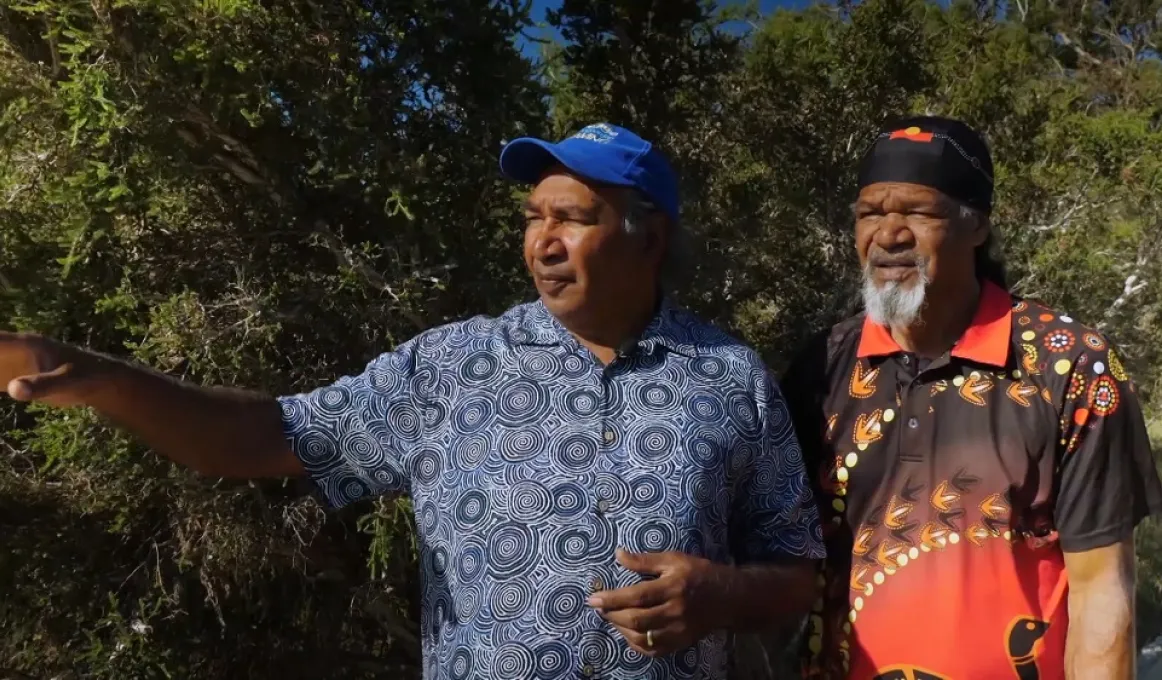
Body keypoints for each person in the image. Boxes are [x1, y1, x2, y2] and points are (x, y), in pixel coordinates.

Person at [1, 123, 824, 679]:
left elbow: (800, 569)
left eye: (572, 218)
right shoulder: (450, 365)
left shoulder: (729, 377)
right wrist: (109, 380)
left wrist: (720, 595)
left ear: (650, 236)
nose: (541, 240)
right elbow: (262, 435)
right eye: (534, 216)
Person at [782, 114, 1162, 680]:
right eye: (870, 214)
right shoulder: (822, 367)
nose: (888, 235)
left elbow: (1101, 588)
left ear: (976, 226)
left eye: (918, 212)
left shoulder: (1069, 366)